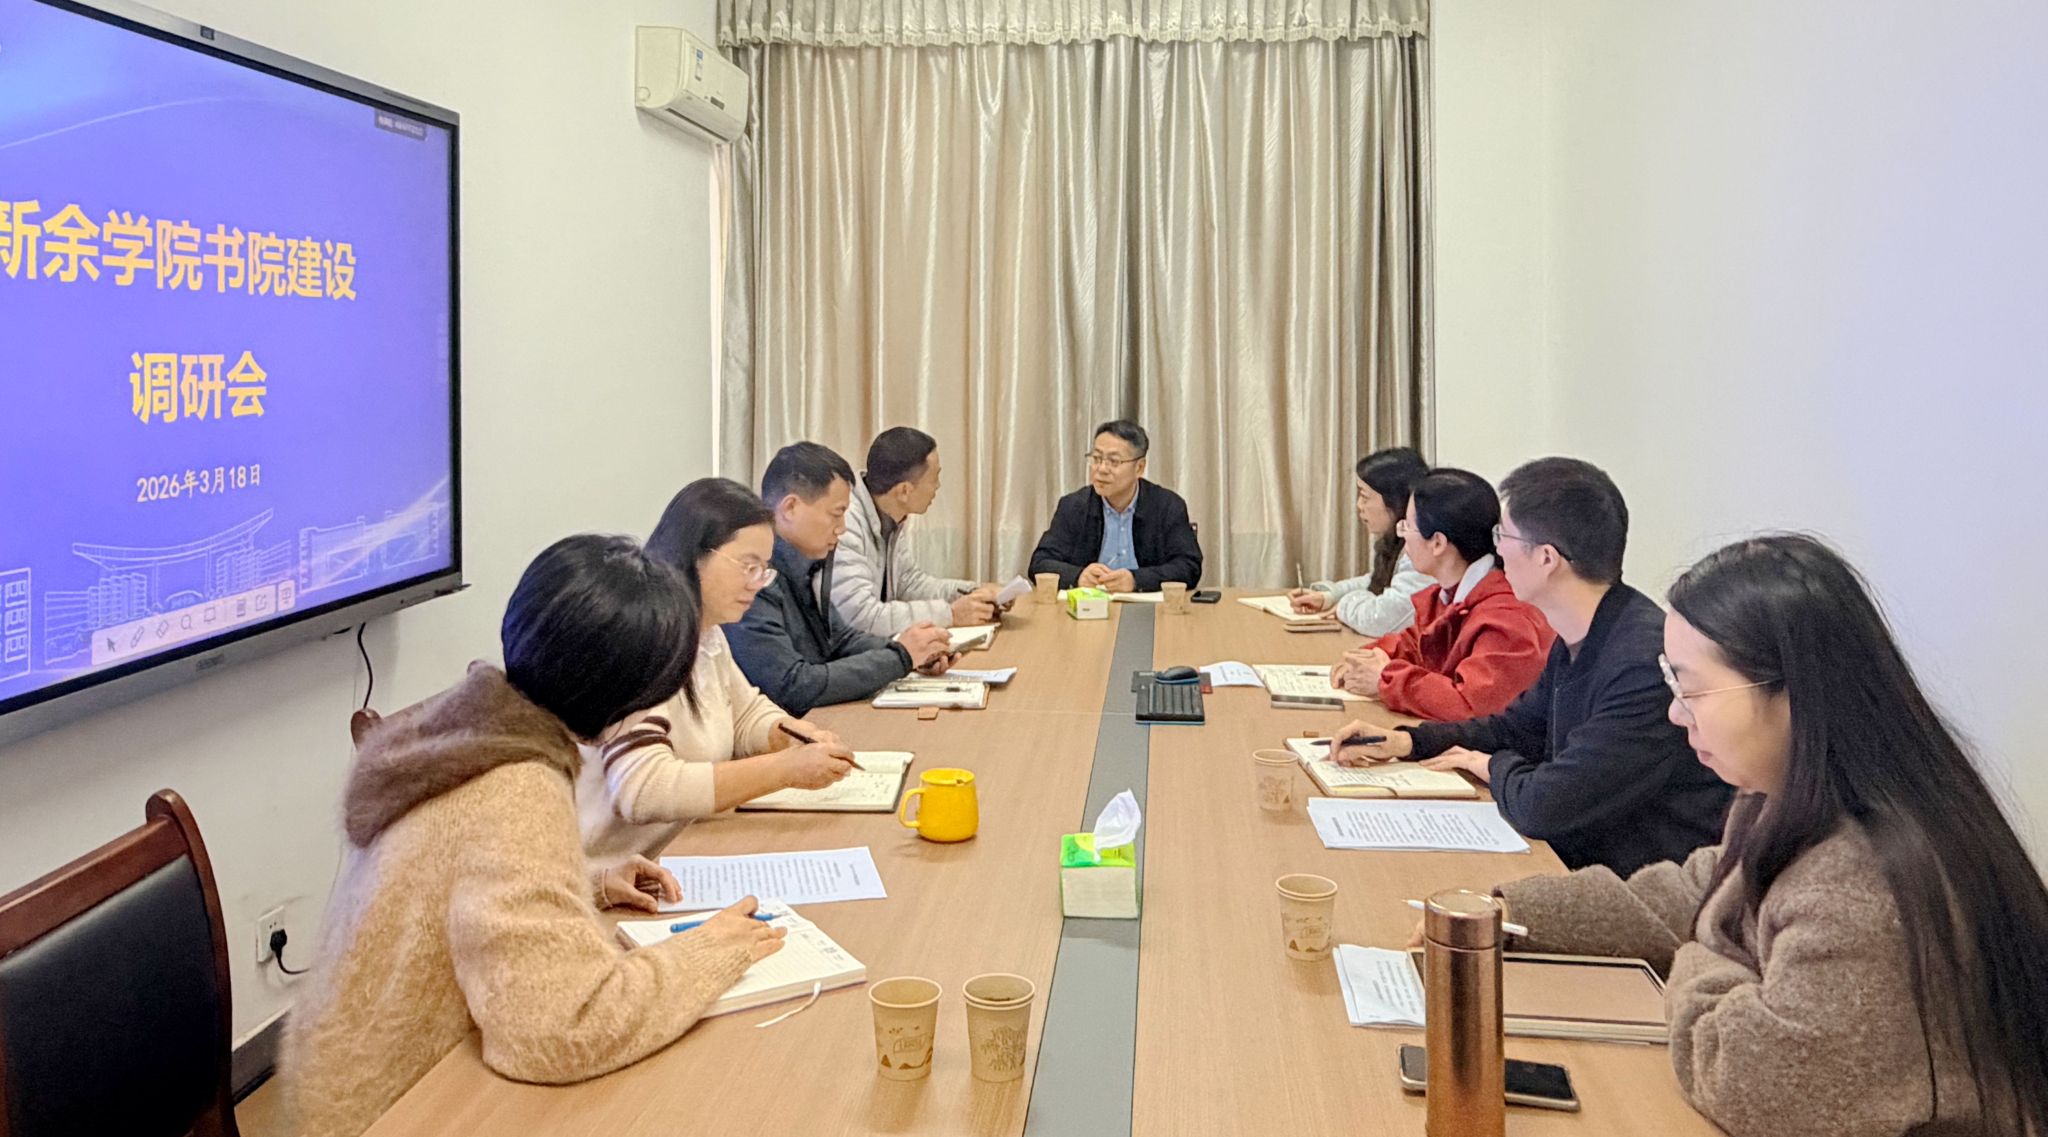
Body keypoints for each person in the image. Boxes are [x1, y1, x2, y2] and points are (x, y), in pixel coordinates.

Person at [1476, 535, 2048, 1137]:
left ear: (1793, 693)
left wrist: (1705, 953)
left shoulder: (1862, 880)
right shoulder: (1785, 795)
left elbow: (1758, 1082)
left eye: (1692, 690)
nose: (1676, 713)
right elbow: (1698, 889)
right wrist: (1515, 912)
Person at [282, 535, 786, 1137]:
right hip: (391, 1106)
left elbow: (461, 885)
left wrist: (588, 881)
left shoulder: (473, 722)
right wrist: (711, 951)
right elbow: (561, 1029)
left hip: (342, 1071)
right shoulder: (517, 785)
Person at [1334, 457, 1732, 876]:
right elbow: (1515, 728)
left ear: (1546, 558)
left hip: (1633, 886)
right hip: (1578, 861)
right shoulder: (1584, 631)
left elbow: (1545, 805)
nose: (1497, 550)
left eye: (1503, 535)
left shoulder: (1641, 664)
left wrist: (1490, 765)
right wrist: (1408, 742)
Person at [565, 477, 863, 867]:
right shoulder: (642, 642)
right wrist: (784, 769)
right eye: (748, 566)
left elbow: (745, 712)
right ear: (694, 554)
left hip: (681, 849)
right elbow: (642, 789)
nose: (757, 583)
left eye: (764, 570)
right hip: (613, 873)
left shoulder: (708, 634)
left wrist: (791, 734)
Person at [727, 442, 953, 716]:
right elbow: (792, 686)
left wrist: (912, 651)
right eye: (836, 514)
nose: (842, 528)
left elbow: (840, 639)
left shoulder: (805, 563)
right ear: (790, 508)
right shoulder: (754, 579)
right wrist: (900, 657)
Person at [1330, 468, 1552, 720]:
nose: (1402, 536)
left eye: (1407, 526)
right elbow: (1416, 645)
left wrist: (1385, 678)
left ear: (1438, 543)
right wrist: (1374, 656)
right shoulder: (1451, 593)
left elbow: (1471, 705)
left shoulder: (1508, 618)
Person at [832, 426, 1001, 636]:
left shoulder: (888, 514)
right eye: (935, 478)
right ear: (904, 491)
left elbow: (909, 584)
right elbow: (861, 617)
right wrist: (950, 614)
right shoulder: (845, 524)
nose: (938, 486)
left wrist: (973, 592)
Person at [1028, 419, 1202, 592]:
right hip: (1089, 606)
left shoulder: (1167, 506)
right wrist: (1078, 576)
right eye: (1097, 459)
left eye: (1114, 461)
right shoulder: (1073, 506)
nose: (1102, 469)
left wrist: (1136, 580)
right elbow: (1040, 563)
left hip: (1150, 606)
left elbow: (1189, 567)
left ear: (1139, 468)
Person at [1287, 446, 1433, 636]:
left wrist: (1343, 605)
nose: (1359, 506)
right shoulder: (1402, 541)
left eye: (1365, 497)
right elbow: (1377, 581)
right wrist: (1329, 596)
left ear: (1396, 501)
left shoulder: (1423, 548)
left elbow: (1381, 619)